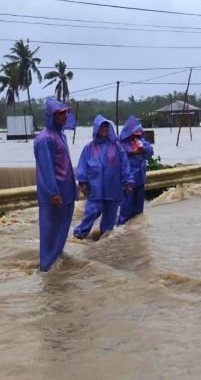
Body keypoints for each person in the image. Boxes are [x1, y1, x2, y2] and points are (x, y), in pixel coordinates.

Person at [33, 98, 77, 271]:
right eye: (60, 113)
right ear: (51, 116)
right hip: (54, 194)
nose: (64, 116)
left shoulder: (60, 135)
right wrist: (53, 192)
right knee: (50, 231)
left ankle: (55, 265)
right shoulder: (44, 139)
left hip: (65, 191)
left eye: (65, 112)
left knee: (61, 229)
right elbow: (46, 168)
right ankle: (46, 267)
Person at [73, 115, 134, 239]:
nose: (104, 129)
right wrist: (83, 182)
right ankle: (79, 235)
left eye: (106, 126)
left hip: (113, 187)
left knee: (110, 215)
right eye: (102, 127)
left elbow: (124, 164)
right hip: (95, 188)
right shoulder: (89, 148)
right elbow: (82, 166)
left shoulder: (116, 147)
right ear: (96, 129)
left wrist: (128, 180)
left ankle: (104, 241)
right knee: (92, 212)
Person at [118, 115, 154, 225]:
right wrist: (131, 152)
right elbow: (116, 155)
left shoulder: (141, 141)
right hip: (127, 180)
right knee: (126, 207)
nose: (136, 136)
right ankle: (121, 228)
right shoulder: (120, 142)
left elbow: (150, 152)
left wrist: (143, 150)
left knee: (138, 209)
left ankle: (136, 230)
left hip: (140, 179)